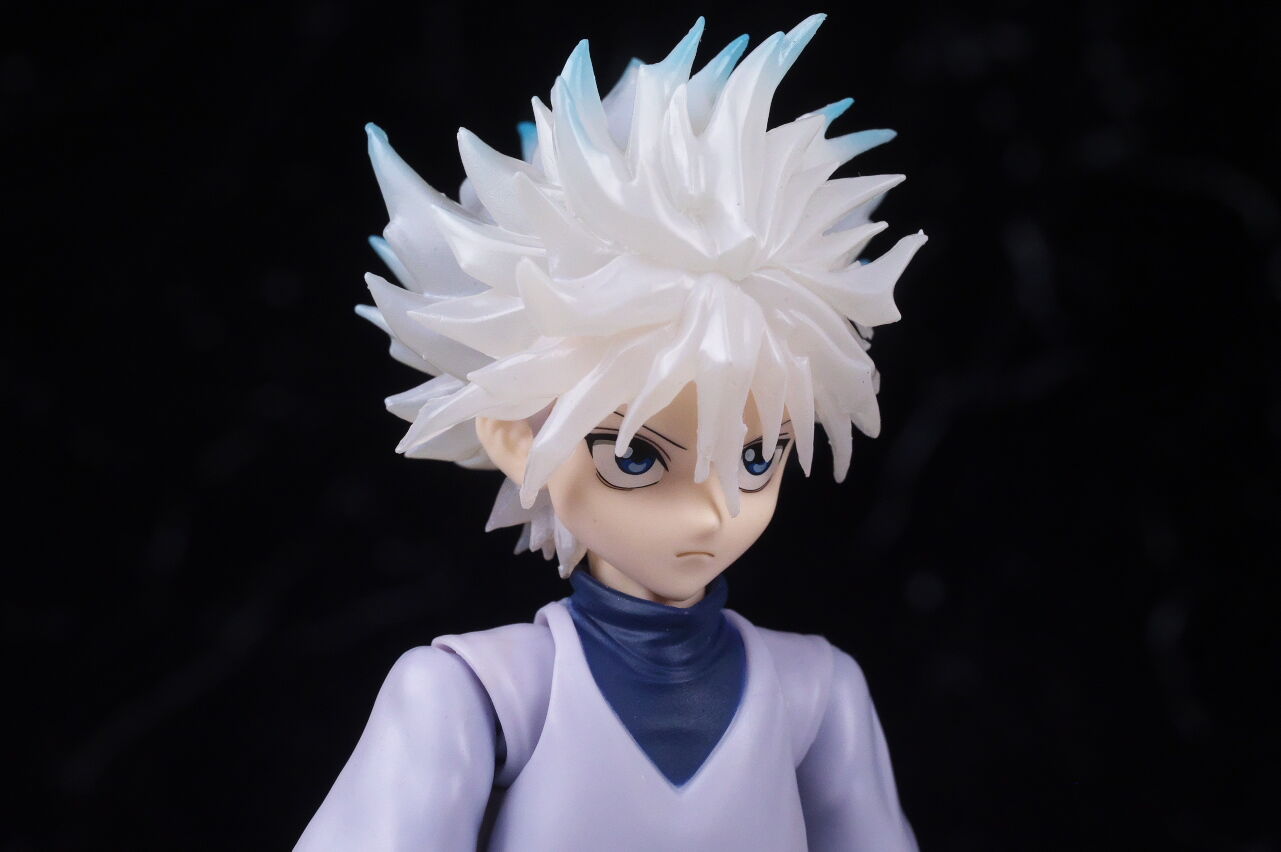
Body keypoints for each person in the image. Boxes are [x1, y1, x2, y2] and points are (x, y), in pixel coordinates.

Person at [298, 14, 926, 850]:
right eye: (636, 458)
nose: (713, 510)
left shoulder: (815, 694)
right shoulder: (479, 694)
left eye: (756, 457)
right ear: (515, 437)